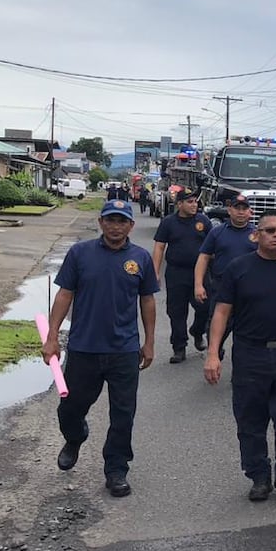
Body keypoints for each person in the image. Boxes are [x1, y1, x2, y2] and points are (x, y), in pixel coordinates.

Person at [203, 211, 276, 503]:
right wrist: (212, 353)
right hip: (250, 354)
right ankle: (258, 476)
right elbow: (222, 311)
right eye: (270, 230)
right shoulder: (238, 268)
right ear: (256, 235)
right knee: (251, 419)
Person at [41, 199, 158, 498]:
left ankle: (117, 470)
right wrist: (52, 336)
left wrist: (149, 341)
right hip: (84, 348)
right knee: (70, 408)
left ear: (131, 225)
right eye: (110, 220)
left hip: (124, 350)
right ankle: (75, 437)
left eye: (121, 221)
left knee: (123, 414)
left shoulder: (140, 258)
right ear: (101, 223)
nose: (115, 226)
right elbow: (65, 294)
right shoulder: (80, 253)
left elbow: (147, 301)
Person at [194, 193, 258, 361]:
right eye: (237, 208)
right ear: (229, 210)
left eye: (245, 209)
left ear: (250, 212)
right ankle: (216, 350)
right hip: (221, 287)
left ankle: (241, 368)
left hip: (248, 288)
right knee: (216, 325)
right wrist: (198, 285)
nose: (241, 212)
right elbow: (204, 257)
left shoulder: (257, 234)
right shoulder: (217, 232)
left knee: (244, 330)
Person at [152, 190, 212, 363]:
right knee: (176, 312)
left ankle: (197, 331)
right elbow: (159, 247)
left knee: (205, 307)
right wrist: (155, 271)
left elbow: (213, 246)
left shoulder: (203, 221)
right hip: (176, 273)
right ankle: (179, 347)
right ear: (179, 204)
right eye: (190, 202)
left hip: (199, 273)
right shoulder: (169, 222)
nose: (194, 205)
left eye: (195, 202)